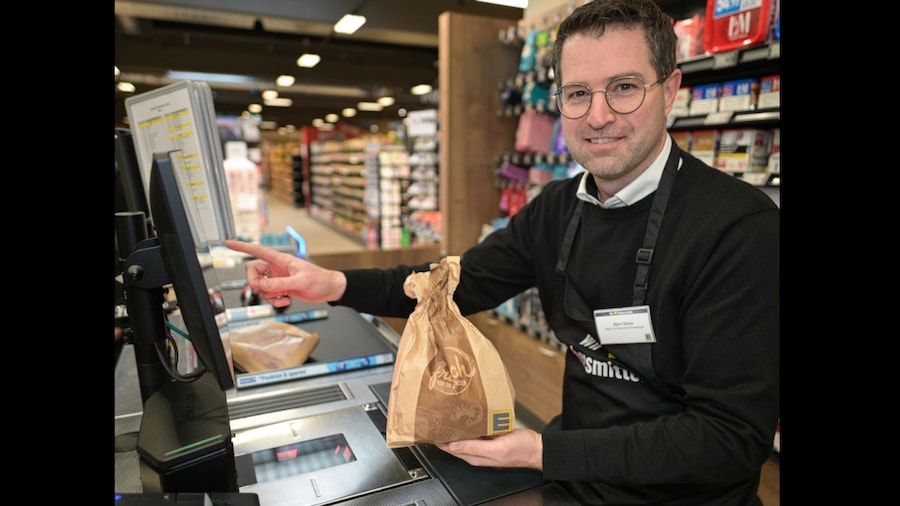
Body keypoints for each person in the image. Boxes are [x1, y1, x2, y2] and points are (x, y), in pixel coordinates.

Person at [226, 0, 779, 503]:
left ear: (670, 89)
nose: (599, 115)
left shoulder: (738, 229)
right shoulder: (558, 207)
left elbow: (727, 438)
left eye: (625, 86)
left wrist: (541, 451)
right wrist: (335, 285)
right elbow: (456, 285)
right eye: (578, 92)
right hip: (571, 485)